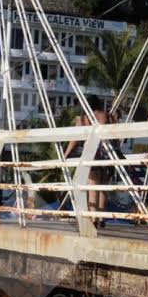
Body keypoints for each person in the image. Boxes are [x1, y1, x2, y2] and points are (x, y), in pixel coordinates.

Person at [64, 95, 116, 229]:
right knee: (103, 186)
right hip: (108, 153)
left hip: (92, 152)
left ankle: (93, 218)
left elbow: (75, 138)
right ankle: (101, 217)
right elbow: (116, 136)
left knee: (92, 186)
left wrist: (66, 153)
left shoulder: (84, 118)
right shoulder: (108, 116)